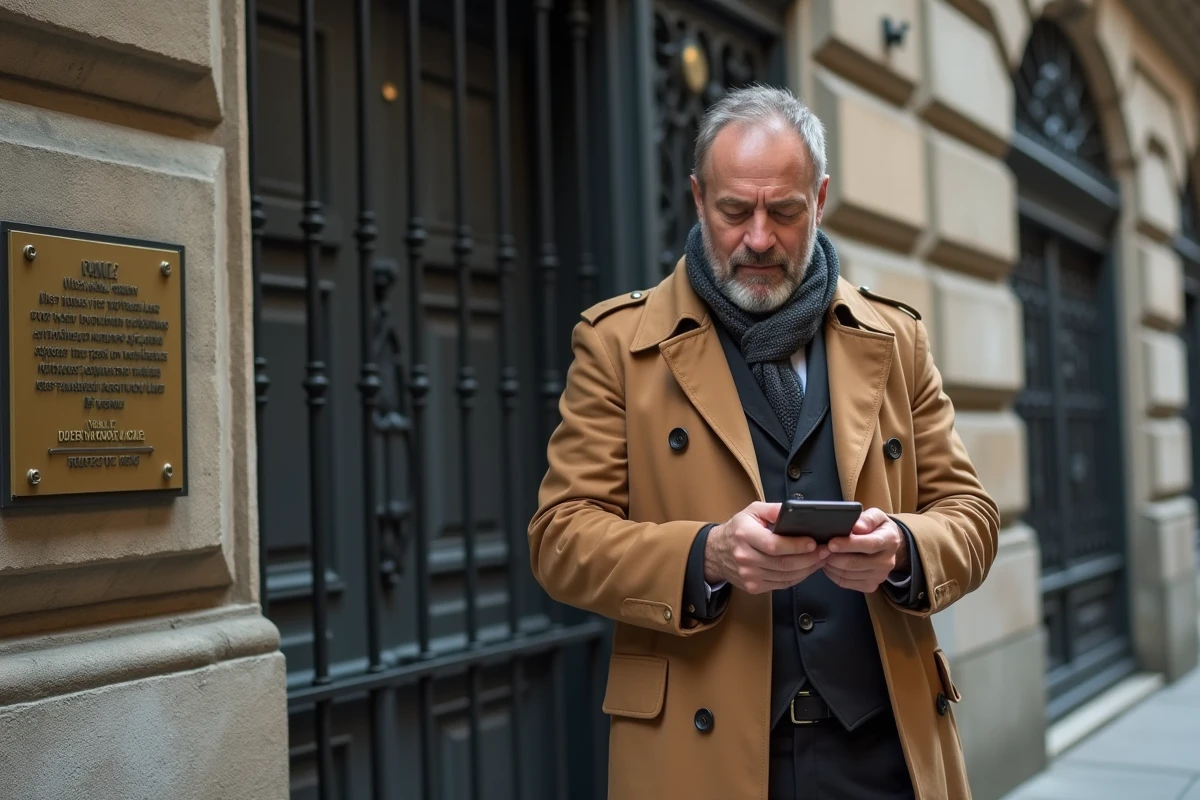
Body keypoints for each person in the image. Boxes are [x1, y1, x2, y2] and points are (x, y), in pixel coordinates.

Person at [528, 84, 999, 799]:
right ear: (696, 198)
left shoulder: (896, 339)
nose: (757, 238)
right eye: (733, 211)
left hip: (884, 751)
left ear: (821, 199)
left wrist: (903, 550)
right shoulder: (617, 345)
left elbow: (971, 515)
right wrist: (704, 555)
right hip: (699, 753)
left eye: (783, 211)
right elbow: (560, 540)